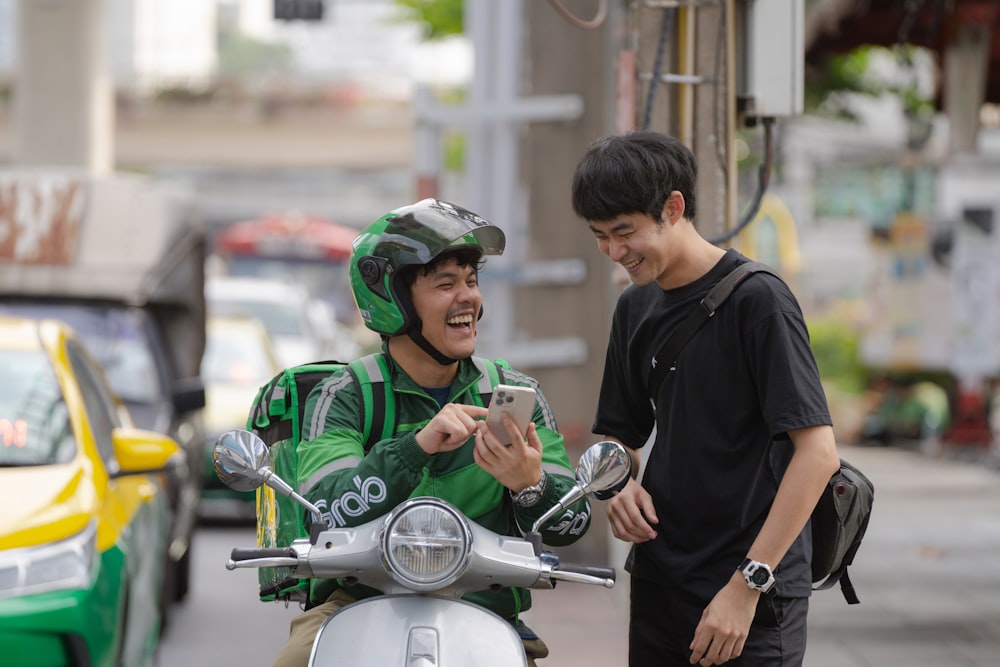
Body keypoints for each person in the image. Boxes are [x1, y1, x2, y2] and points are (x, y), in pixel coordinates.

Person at [270, 198, 593, 667]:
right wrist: (414, 449)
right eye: (446, 284)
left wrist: (531, 486)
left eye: (472, 281)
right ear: (393, 301)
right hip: (357, 605)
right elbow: (325, 512)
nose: (469, 298)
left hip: (487, 614)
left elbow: (574, 522)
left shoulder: (515, 394)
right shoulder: (346, 396)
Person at [570, 131, 841, 667]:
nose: (614, 251)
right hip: (661, 583)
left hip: (752, 591)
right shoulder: (634, 308)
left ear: (673, 207)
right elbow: (620, 437)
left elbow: (817, 455)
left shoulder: (759, 301)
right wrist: (618, 487)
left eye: (624, 232)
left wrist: (747, 586)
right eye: (601, 236)